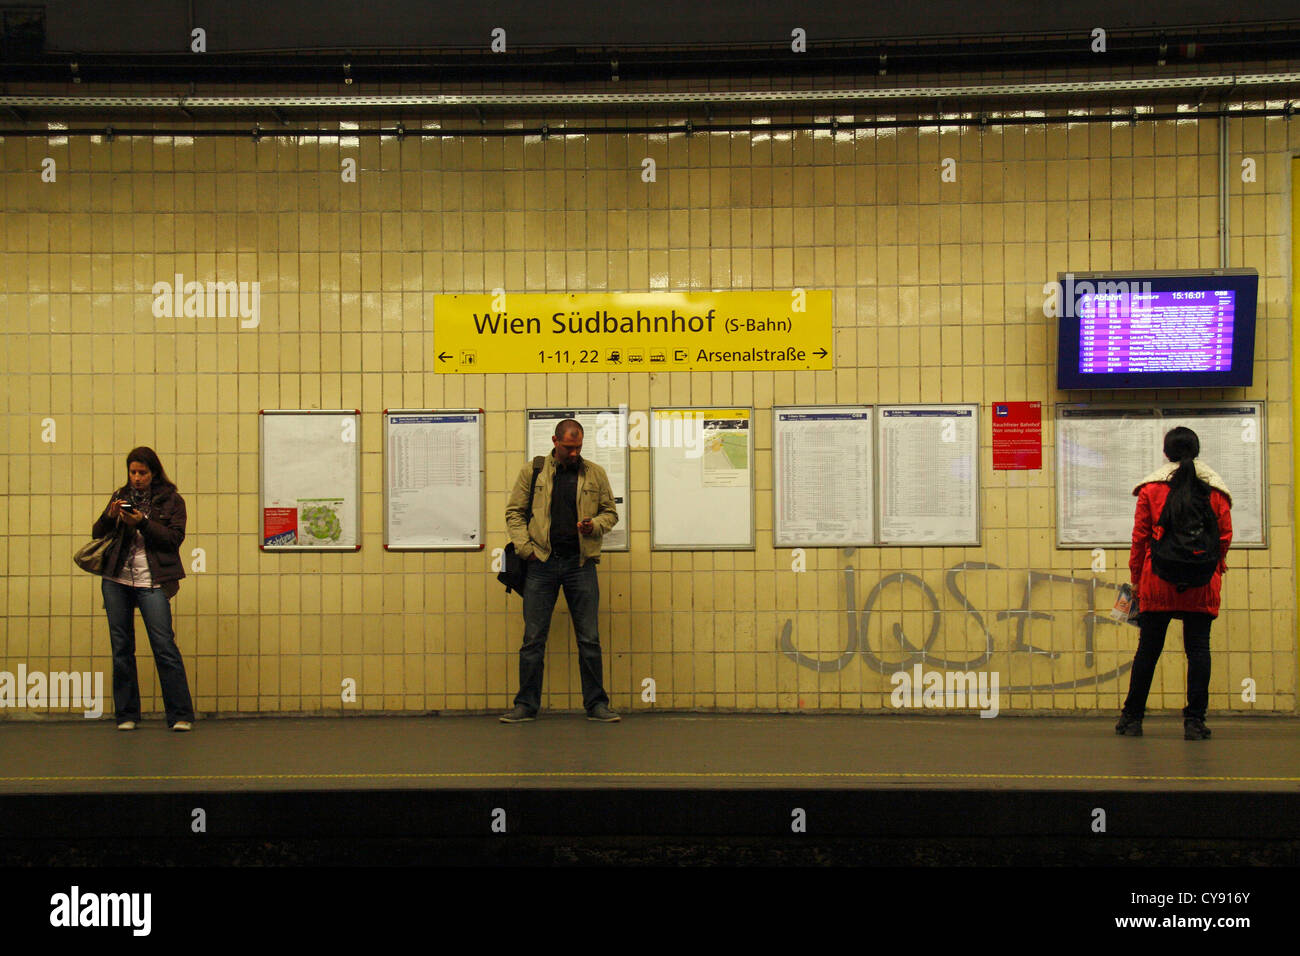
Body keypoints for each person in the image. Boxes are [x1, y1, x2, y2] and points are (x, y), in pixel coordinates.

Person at [1116, 427, 1232, 740]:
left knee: (1148, 651)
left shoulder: (1151, 490)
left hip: (1157, 579)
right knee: (1198, 650)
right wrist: (1216, 567)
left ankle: (1132, 719)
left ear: (1166, 453)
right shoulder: (1215, 490)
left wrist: (1136, 579)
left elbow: (1140, 539)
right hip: (1202, 581)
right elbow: (1224, 537)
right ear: (1196, 451)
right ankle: (1194, 722)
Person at [501, 420, 620, 722]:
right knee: (533, 639)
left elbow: (610, 513)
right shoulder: (534, 471)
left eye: (578, 446)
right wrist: (526, 549)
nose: (574, 452)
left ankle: (596, 704)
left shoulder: (594, 473)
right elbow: (514, 512)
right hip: (542, 563)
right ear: (555, 441)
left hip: (580, 565)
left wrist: (596, 525)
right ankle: (526, 705)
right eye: (569, 447)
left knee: (589, 638)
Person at [92, 447, 195, 732]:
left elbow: (173, 539)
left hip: (153, 581)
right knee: (121, 648)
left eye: (142, 473)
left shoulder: (172, 501)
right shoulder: (120, 496)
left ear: (154, 473)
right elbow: (97, 534)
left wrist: (143, 523)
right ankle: (126, 714)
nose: (136, 478)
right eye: (133, 472)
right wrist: (111, 516)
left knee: (164, 646)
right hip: (117, 580)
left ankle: (180, 715)